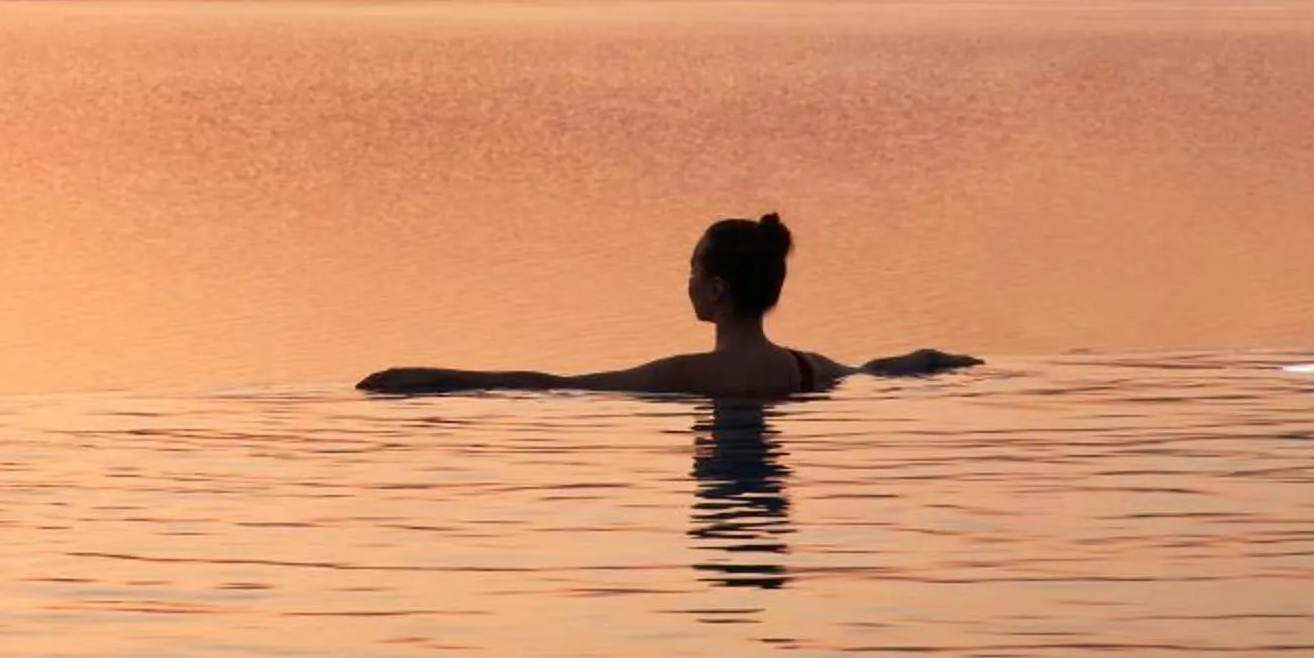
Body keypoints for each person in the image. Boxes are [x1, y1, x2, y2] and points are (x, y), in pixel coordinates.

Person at [357, 212, 978, 399]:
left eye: (691, 270)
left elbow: (553, 385)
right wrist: (943, 359)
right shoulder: (809, 368)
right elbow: (885, 368)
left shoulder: (685, 377)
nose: (684, 282)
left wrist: (435, 379)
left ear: (716, 291)